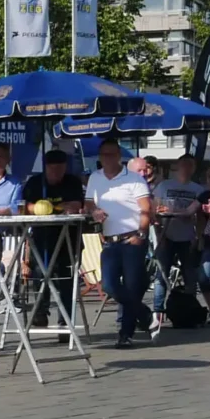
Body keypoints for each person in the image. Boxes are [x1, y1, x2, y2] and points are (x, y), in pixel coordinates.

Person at [86, 141, 152, 350]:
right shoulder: (95, 177)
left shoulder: (133, 179)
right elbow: (88, 202)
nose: (107, 158)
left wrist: (141, 233)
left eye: (111, 154)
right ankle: (143, 313)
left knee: (132, 287)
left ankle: (126, 334)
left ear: (118, 156)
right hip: (109, 240)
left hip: (132, 238)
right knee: (109, 285)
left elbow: (146, 208)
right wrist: (94, 211)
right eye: (104, 155)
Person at [19, 149, 84, 328]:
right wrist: (41, 207)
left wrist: (53, 207)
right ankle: (40, 311)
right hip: (42, 236)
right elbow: (25, 206)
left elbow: (75, 205)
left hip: (68, 238)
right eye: (52, 169)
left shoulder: (72, 182)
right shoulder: (35, 183)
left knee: (66, 277)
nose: (56, 173)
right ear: (46, 167)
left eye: (60, 169)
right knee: (40, 273)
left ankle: (65, 320)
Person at [150, 153, 210, 331]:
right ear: (177, 166)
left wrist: (198, 237)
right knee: (162, 275)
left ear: (193, 168)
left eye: (190, 165)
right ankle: (158, 312)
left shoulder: (197, 189)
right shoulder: (164, 185)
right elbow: (155, 208)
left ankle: (188, 308)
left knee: (190, 275)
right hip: (166, 236)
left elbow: (200, 217)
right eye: (183, 164)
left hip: (186, 237)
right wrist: (158, 230)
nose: (186, 168)